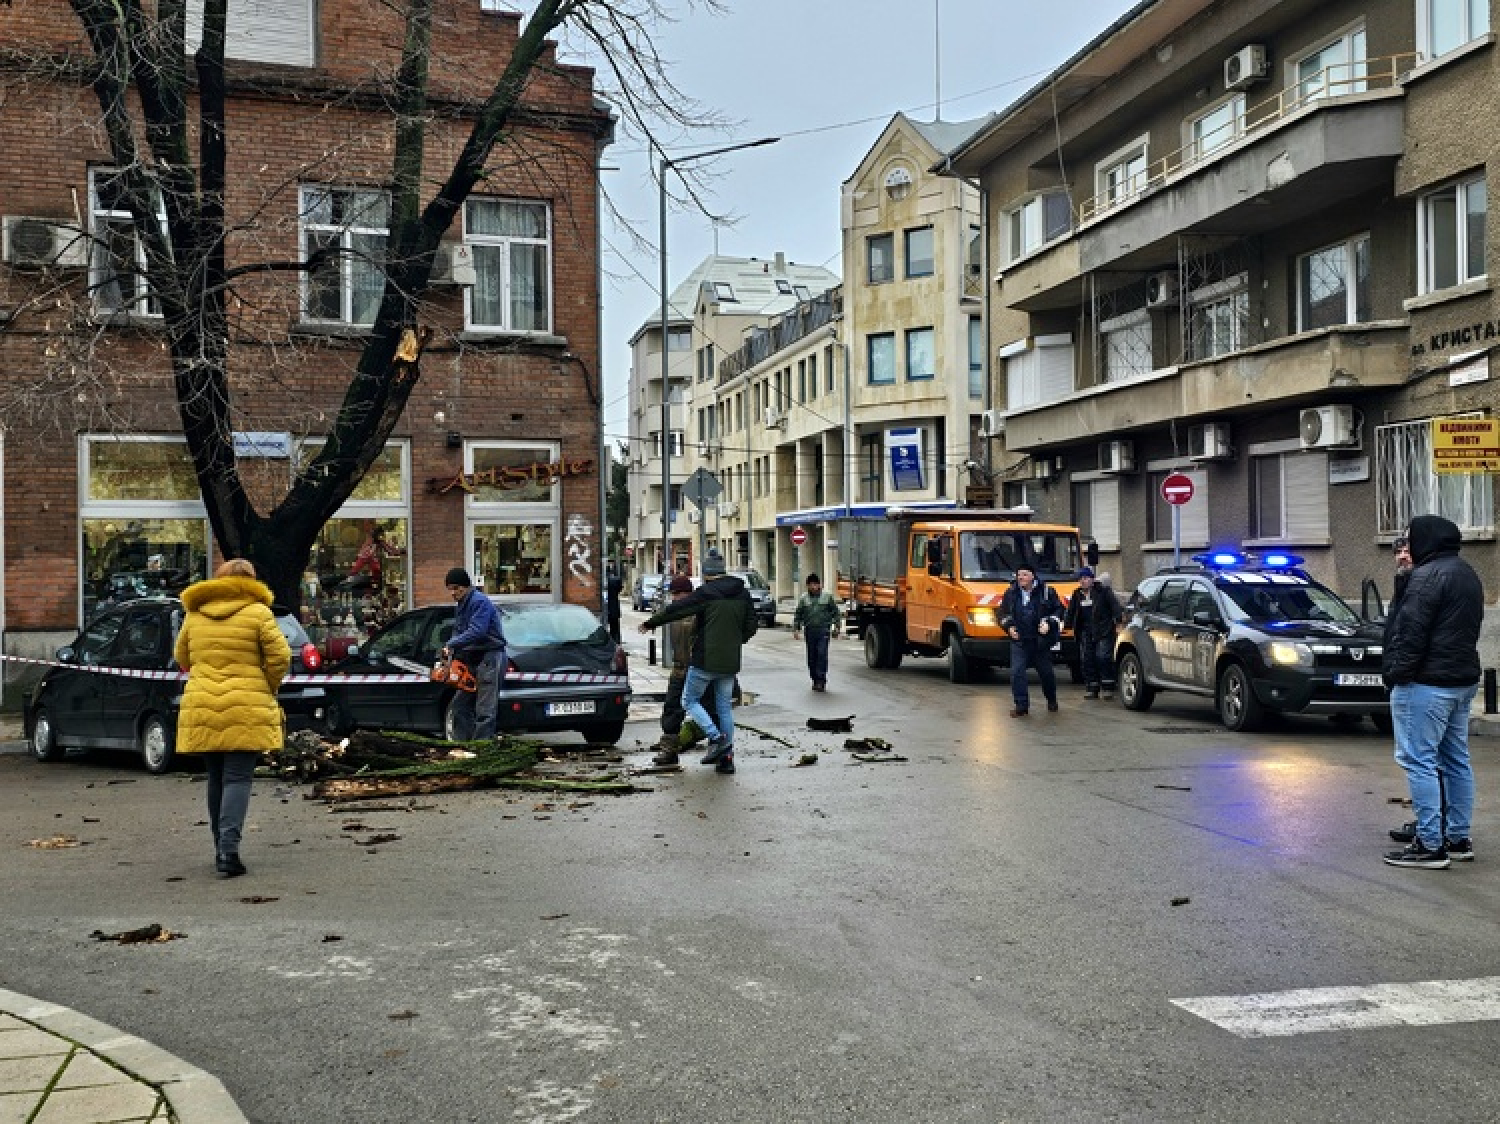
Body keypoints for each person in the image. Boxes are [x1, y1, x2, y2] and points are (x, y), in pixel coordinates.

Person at [173, 559, 291, 879]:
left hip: (201, 704)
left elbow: (181, 656)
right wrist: (268, 683)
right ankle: (230, 851)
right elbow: (281, 656)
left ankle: (218, 849)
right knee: (238, 778)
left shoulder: (195, 614)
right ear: (251, 581)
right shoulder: (258, 612)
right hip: (247, 704)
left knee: (216, 777)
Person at [1381, 515, 1485, 870]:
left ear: (1426, 540)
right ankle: (1457, 838)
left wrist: (1395, 675)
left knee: (1418, 761)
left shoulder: (1426, 577)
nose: (1407, 545)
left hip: (1425, 683)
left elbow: (1408, 635)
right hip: (1461, 681)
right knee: (1456, 761)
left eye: (1411, 539)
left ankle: (1429, 844)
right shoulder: (1466, 572)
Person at [639, 548, 757, 775]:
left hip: (701, 663)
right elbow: (751, 625)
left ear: (706, 574)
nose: (675, 598)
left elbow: (677, 611)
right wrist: (735, 642)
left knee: (688, 702)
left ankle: (717, 740)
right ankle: (726, 756)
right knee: (721, 709)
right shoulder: (742, 593)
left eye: (678, 594)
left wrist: (651, 622)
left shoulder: (705, 595)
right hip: (721, 663)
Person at [442, 567, 507, 742]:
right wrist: (452, 655)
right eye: (450, 589)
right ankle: (463, 745)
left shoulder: (479, 602)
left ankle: (482, 749)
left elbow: (477, 631)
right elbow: (459, 631)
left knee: (485, 710)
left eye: (456, 588)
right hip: (472, 659)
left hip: (490, 657)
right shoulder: (461, 605)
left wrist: (451, 644)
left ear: (466, 586)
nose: (453, 593)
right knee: (460, 706)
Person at [999, 564, 1065, 718]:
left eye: (1024, 574)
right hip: (1020, 640)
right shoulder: (1011, 593)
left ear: (1032, 576)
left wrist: (1049, 623)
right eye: (1019, 575)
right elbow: (1002, 613)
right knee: (1017, 672)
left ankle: (1052, 699)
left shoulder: (1047, 592)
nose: (1021, 577)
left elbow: (1059, 611)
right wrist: (1009, 627)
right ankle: (1021, 706)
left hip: (1040, 641)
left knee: (1046, 673)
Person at [652, 575, 697, 765]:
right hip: (679, 668)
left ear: (688, 593)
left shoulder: (699, 611)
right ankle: (669, 749)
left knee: (708, 710)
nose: (675, 598)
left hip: (698, 669)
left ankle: (719, 747)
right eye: (673, 594)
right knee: (671, 708)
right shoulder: (674, 613)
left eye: (678, 594)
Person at [1062, 566, 1123, 699]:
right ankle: (1092, 687)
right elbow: (1071, 612)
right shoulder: (1077, 594)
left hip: (1103, 629)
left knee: (1103, 657)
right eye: (1080, 579)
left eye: (1085, 578)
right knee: (1087, 659)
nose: (1082, 581)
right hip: (1085, 631)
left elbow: (1115, 607)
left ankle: (1108, 687)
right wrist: (1065, 625)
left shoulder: (1103, 592)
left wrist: (1118, 622)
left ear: (1092, 579)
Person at [792, 573, 843, 691]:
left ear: (820, 585)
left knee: (821, 654)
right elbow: (798, 614)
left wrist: (837, 627)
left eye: (816, 584)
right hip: (810, 631)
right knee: (812, 656)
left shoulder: (827, 597)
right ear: (808, 586)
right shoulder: (804, 599)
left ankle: (821, 680)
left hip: (823, 630)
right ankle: (814, 678)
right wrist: (796, 629)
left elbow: (835, 612)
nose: (814, 587)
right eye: (811, 585)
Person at [605, 563, 624, 644]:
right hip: (614, 608)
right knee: (615, 627)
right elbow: (619, 589)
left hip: (605, 607)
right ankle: (616, 641)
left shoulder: (603, 581)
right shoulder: (616, 580)